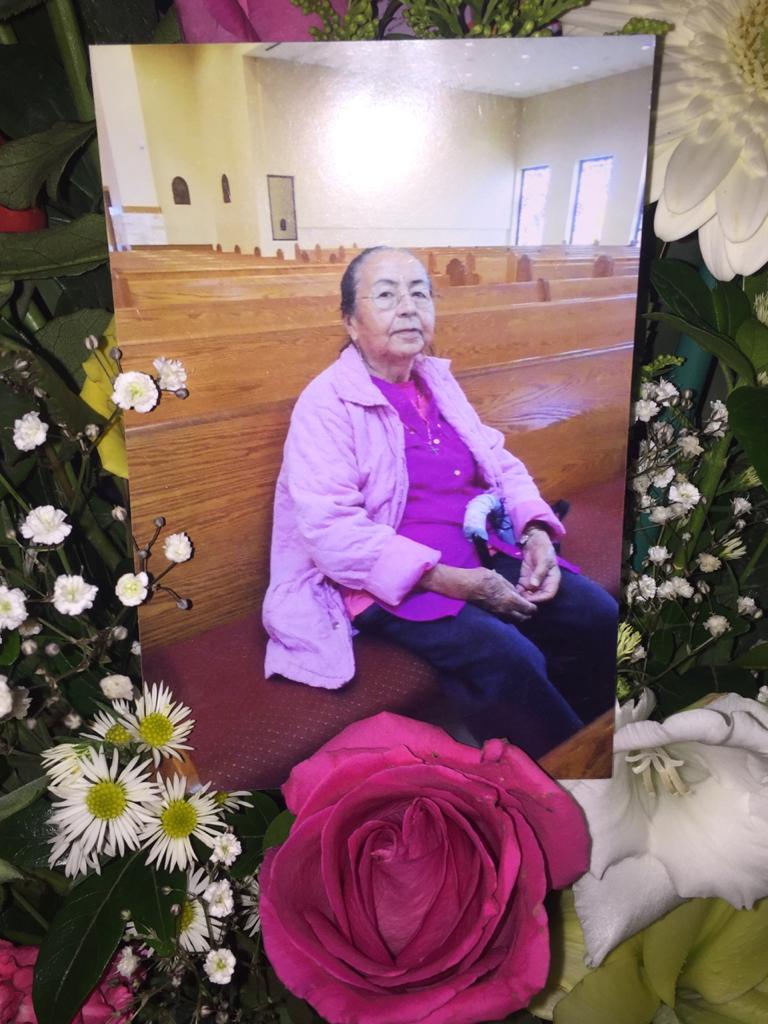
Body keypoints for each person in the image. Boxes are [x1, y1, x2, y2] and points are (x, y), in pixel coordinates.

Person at [263, 246, 618, 758]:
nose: (408, 307)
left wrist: (535, 530)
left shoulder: (434, 380)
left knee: (597, 615)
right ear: (351, 322)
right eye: (387, 295)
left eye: (420, 293)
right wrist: (454, 582)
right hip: (389, 579)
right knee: (507, 657)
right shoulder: (325, 404)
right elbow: (332, 531)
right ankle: (557, 774)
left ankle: (597, 743)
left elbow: (497, 461)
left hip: (479, 546)